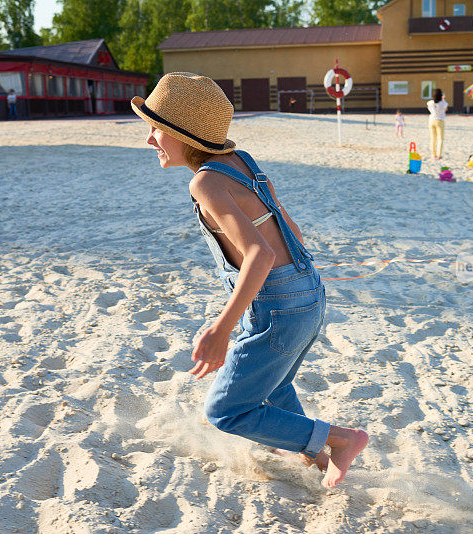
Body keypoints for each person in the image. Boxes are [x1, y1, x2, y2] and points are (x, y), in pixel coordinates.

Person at [130, 73, 368, 488]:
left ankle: (342, 440)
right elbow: (287, 225)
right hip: (306, 292)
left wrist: (221, 331)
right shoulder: (241, 162)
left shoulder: (204, 181)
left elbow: (260, 254)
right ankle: (316, 457)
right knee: (273, 389)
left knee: (226, 410)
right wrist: (295, 290)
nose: (149, 139)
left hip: (279, 306)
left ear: (183, 134)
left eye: (157, 129)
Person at [426, 88, 447, 159]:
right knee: (440, 139)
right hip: (440, 121)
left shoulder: (430, 103)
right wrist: (443, 99)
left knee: (433, 138)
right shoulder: (443, 103)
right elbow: (445, 109)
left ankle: (433, 154)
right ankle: (439, 155)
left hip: (431, 120)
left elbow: (429, 108)